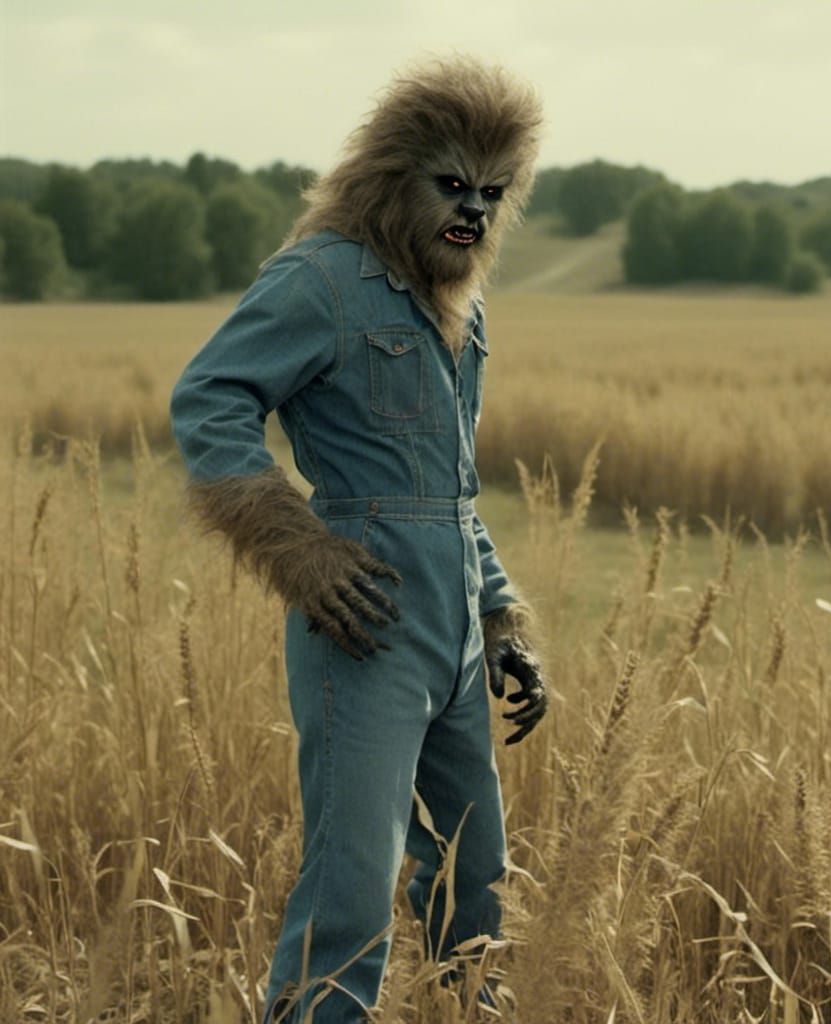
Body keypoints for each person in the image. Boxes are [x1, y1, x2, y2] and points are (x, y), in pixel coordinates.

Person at [169, 57, 547, 1021]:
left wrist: (501, 613)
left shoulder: (461, 304)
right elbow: (209, 398)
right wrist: (297, 549)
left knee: (475, 872)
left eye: (493, 192)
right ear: (391, 175)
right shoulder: (321, 279)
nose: (473, 211)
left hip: (457, 627)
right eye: (452, 184)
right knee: (352, 884)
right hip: (363, 619)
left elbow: (449, 488)